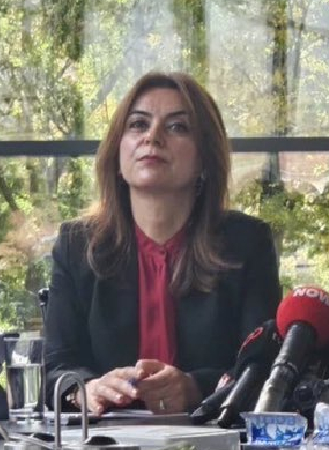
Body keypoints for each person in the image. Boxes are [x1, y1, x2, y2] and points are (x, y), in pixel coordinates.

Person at [45, 72, 281, 415]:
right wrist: (86, 390)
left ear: (204, 159)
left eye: (177, 127)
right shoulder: (77, 246)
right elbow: (55, 368)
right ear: (117, 152)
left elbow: (263, 368)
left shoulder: (246, 244)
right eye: (138, 124)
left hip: (210, 434)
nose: (152, 137)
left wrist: (195, 387)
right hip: (105, 435)